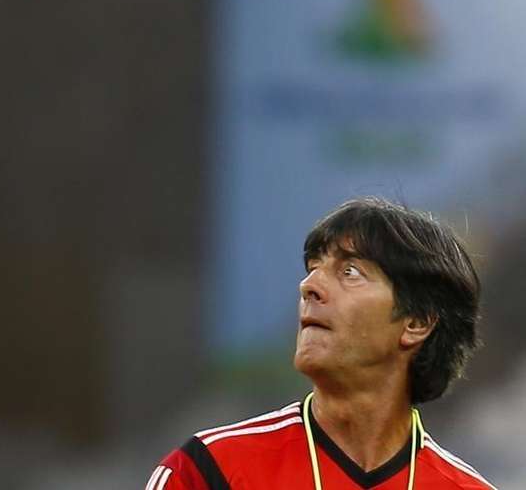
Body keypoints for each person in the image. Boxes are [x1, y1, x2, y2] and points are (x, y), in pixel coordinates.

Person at [145, 197, 497, 490]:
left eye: (350, 272)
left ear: (417, 323)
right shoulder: (206, 471)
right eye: (313, 267)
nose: (309, 286)